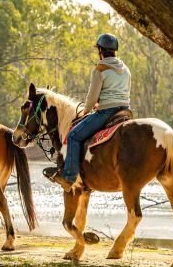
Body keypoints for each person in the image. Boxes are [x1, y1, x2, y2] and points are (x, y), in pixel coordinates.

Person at [44, 33, 131, 192]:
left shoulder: (100, 69)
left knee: (73, 135)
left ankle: (69, 177)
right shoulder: (125, 70)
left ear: (100, 50)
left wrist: (87, 109)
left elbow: (91, 99)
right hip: (125, 112)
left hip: (106, 112)